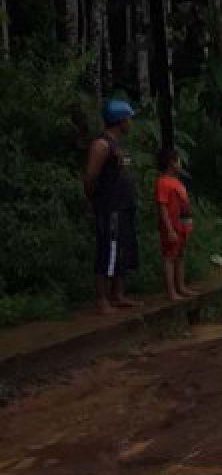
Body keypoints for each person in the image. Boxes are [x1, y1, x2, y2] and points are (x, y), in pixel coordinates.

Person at [84, 99, 141, 314]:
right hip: (110, 207)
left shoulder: (119, 144)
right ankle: (102, 299)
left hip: (124, 205)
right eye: (128, 119)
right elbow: (90, 177)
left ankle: (118, 294)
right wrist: (94, 201)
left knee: (124, 249)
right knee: (108, 250)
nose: (130, 123)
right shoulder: (102, 144)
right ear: (120, 120)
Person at [154, 148, 197, 300]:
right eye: (178, 160)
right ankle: (171, 291)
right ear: (172, 163)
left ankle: (181, 286)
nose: (180, 163)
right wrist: (169, 229)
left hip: (183, 225)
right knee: (170, 257)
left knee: (180, 255)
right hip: (172, 226)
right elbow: (163, 206)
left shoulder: (176, 182)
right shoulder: (163, 183)